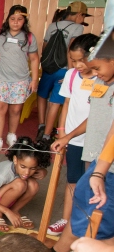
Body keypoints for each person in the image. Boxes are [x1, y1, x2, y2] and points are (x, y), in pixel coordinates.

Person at [52, 52, 114, 252]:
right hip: (105, 166)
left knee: (99, 225)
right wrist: (99, 170)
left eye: (97, 67)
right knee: (87, 204)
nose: (94, 73)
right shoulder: (106, 84)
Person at [48, 34, 99, 235]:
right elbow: (67, 103)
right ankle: (66, 220)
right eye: (74, 60)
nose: (78, 65)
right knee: (72, 181)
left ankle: (84, 226)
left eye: (82, 60)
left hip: (93, 140)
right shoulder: (70, 75)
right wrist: (62, 132)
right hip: (72, 138)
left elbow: (95, 115)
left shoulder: (102, 78)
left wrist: (67, 137)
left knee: (91, 184)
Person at [0, 5, 40, 153]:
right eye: (13, 19)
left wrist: (34, 79)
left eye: (20, 19)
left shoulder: (29, 37)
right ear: (8, 19)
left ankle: (11, 135)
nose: (16, 22)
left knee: (16, 109)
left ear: (24, 21)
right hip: (0, 78)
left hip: (20, 80)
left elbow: (35, 59)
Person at [36, 1, 89, 142]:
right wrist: (70, 73)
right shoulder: (77, 28)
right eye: (83, 16)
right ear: (79, 14)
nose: (83, 20)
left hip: (48, 67)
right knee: (55, 102)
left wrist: (45, 64)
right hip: (63, 69)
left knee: (42, 95)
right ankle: (46, 136)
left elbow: (45, 47)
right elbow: (71, 50)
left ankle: (41, 125)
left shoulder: (53, 25)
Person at [0, 136, 49, 231]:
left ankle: (14, 210)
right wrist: (6, 211)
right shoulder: (2, 176)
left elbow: (32, 168)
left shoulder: (25, 166)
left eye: (32, 168)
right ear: (15, 160)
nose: (27, 173)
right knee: (20, 184)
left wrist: (43, 171)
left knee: (33, 185)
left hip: (2, 197)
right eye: (23, 167)